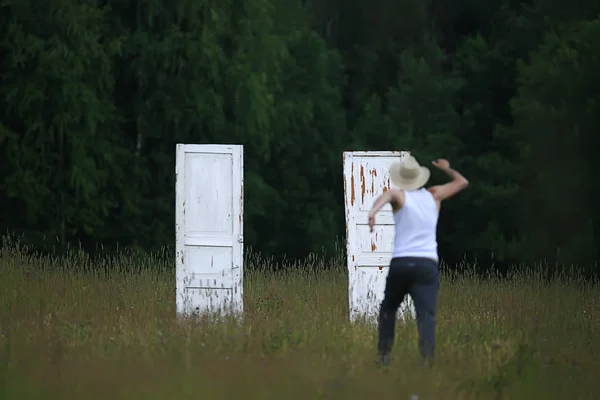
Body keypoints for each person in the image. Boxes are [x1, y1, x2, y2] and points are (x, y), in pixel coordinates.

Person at [367, 155, 469, 368]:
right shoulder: (434, 196)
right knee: (426, 315)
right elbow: (462, 183)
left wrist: (373, 212)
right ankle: (426, 362)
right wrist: (448, 169)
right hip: (426, 264)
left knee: (388, 309)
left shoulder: (401, 197)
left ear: (401, 179)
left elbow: (387, 195)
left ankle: (384, 357)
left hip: (401, 262)